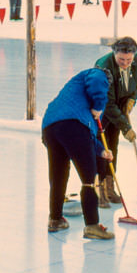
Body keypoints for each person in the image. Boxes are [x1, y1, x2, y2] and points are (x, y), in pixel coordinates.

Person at [41, 68, 115, 240]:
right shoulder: (97, 74)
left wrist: (102, 151)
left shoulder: (75, 97)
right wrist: (98, 106)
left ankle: (55, 219)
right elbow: (97, 80)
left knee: (58, 175)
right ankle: (92, 226)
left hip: (50, 128)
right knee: (89, 179)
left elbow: (87, 136)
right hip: (72, 126)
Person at [94, 37, 137, 208]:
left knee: (112, 147)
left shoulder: (136, 61)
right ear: (114, 54)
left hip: (118, 108)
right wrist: (126, 128)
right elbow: (108, 103)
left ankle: (109, 187)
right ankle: (98, 190)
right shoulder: (105, 66)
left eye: (129, 60)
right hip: (100, 110)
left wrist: (132, 99)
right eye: (121, 59)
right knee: (101, 148)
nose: (125, 63)